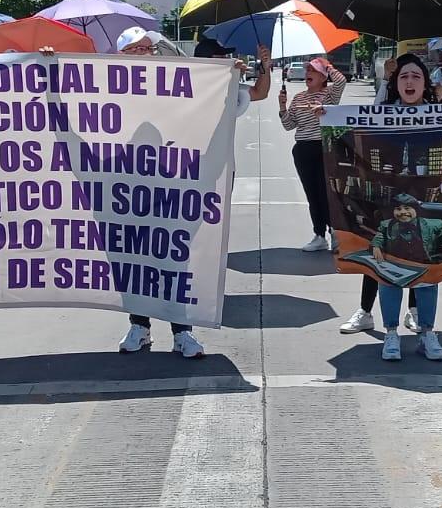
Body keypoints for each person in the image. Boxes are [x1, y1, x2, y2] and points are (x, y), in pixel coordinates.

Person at [94, 30, 269, 358]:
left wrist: (230, 76)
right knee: (132, 262)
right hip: (126, 190)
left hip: (172, 186)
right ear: (120, 55)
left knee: (174, 259)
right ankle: (139, 326)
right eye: (135, 49)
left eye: (148, 48)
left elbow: (237, 99)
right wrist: (49, 64)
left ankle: (182, 331)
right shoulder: (104, 88)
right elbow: (70, 107)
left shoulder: (175, 86)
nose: (144, 53)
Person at [321, 54, 442, 360]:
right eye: (404, 76)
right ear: (395, 83)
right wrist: (326, 115)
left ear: (425, 83)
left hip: (426, 204)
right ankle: (390, 334)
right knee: (388, 270)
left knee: (427, 271)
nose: (410, 82)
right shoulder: (382, 114)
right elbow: (352, 125)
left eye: (416, 76)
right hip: (388, 204)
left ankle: (427, 333)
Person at [279, 56, 349, 252]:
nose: (308, 73)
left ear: (323, 76)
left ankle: (334, 231)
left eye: (313, 70)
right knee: (312, 193)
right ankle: (319, 234)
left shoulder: (329, 95)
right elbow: (288, 125)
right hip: (303, 148)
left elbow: (341, 81)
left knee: (326, 191)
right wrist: (282, 107)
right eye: (307, 70)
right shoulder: (299, 97)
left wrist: (327, 64)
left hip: (324, 147)